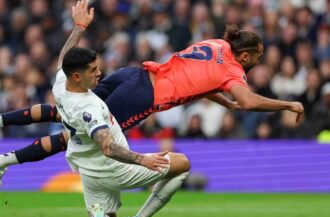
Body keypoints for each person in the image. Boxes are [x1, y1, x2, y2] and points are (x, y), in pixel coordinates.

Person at [0, 7, 304, 182]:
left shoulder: (217, 45)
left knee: (64, 108)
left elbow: (199, 80)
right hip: (143, 98)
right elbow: (249, 100)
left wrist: (225, 101)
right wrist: (288, 103)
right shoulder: (233, 72)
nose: (259, 62)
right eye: (258, 57)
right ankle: (5, 162)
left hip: (134, 74)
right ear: (247, 56)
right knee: (75, 134)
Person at [26, 2, 191, 217]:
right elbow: (108, 147)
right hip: (115, 169)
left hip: (89, 170)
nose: (99, 73)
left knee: (107, 215)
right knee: (183, 164)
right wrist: (143, 160)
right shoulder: (89, 107)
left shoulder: (60, 85)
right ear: (77, 76)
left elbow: (64, 58)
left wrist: (79, 27)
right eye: (93, 70)